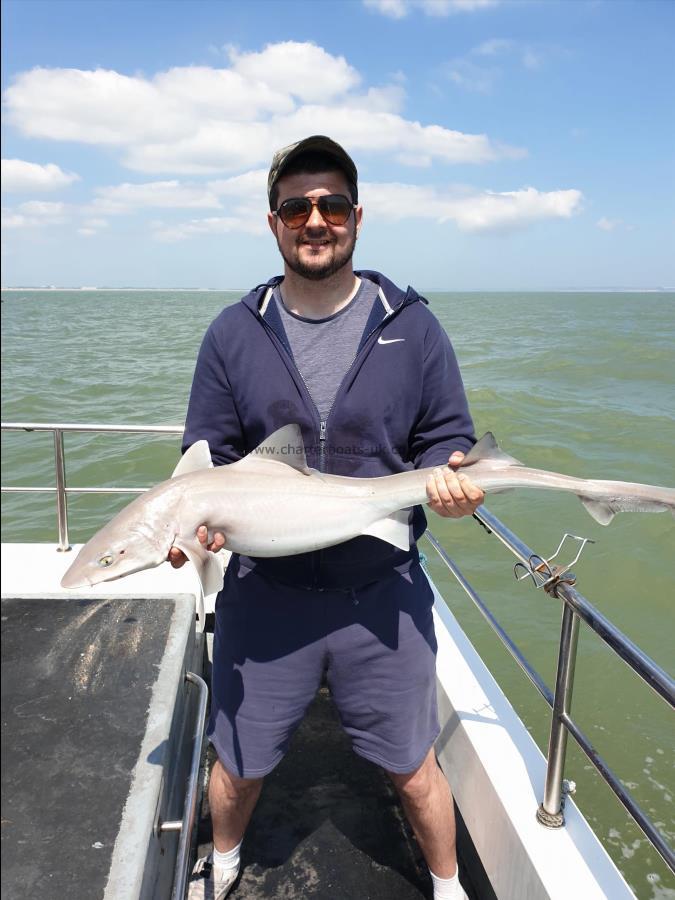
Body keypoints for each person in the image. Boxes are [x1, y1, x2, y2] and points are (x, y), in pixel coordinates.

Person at [171, 135, 484, 900]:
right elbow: (205, 456)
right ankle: (227, 865)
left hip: (381, 589)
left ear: (356, 217)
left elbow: (448, 437)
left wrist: (455, 479)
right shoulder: (232, 332)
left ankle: (446, 887)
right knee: (238, 763)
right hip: (265, 594)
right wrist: (204, 525)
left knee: (413, 768)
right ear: (274, 223)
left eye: (332, 205)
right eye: (296, 207)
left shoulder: (412, 327)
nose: (316, 220)